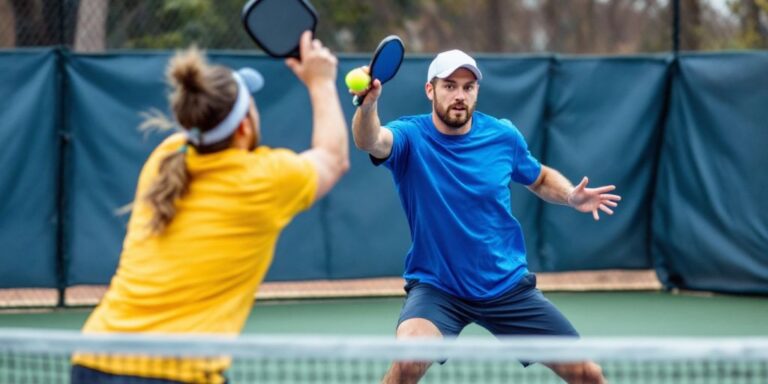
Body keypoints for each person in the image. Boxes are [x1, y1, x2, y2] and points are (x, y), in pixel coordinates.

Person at [71, 31, 348, 384]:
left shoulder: (165, 157)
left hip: (94, 359)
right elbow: (333, 158)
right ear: (245, 127)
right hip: (176, 374)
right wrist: (321, 82)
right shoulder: (264, 180)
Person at [349, 49, 620, 384]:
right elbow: (370, 140)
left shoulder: (503, 136)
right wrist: (369, 104)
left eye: (468, 87)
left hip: (506, 287)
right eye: (449, 86)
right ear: (430, 90)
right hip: (439, 288)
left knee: (587, 373)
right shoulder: (410, 136)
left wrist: (569, 195)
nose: (460, 95)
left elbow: (538, 177)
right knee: (407, 363)